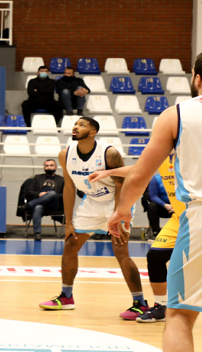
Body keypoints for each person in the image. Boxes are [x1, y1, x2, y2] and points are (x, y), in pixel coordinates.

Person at [106, 52, 202, 351]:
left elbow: (140, 174)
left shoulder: (176, 114)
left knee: (179, 317)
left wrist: (122, 211)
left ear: (197, 78)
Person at [92, 154, 202, 333]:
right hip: (180, 218)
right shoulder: (164, 154)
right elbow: (139, 169)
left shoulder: (196, 153)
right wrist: (110, 172)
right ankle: (161, 306)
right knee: (155, 256)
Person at [38, 117, 146, 319]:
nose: (76, 127)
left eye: (82, 125)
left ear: (93, 132)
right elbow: (69, 187)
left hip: (116, 201)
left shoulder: (109, 153)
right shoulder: (65, 154)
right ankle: (66, 297)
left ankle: (140, 303)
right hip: (92, 202)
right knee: (70, 245)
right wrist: (68, 222)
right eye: (75, 124)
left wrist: (118, 215)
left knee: (120, 251)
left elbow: (121, 184)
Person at [23, 159, 64, 241]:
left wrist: (51, 195)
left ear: (56, 167)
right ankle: (37, 233)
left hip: (54, 204)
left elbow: (65, 195)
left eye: (51, 165)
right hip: (40, 201)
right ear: (44, 167)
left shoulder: (62, 179)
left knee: (52, 193)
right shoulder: (37, 178)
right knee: (38, 207)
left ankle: (30, 205)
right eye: (47, 166)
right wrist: (39, 194)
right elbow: (29, 191)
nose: (49, 167)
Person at [145, 172, 174, 238]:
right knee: (151, 206)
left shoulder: (180, 178)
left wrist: (176, 206)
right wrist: (165, 205)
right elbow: (153, 196)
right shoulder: (156, 179)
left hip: (177, 207)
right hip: (162, 207)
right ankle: (156, 233)